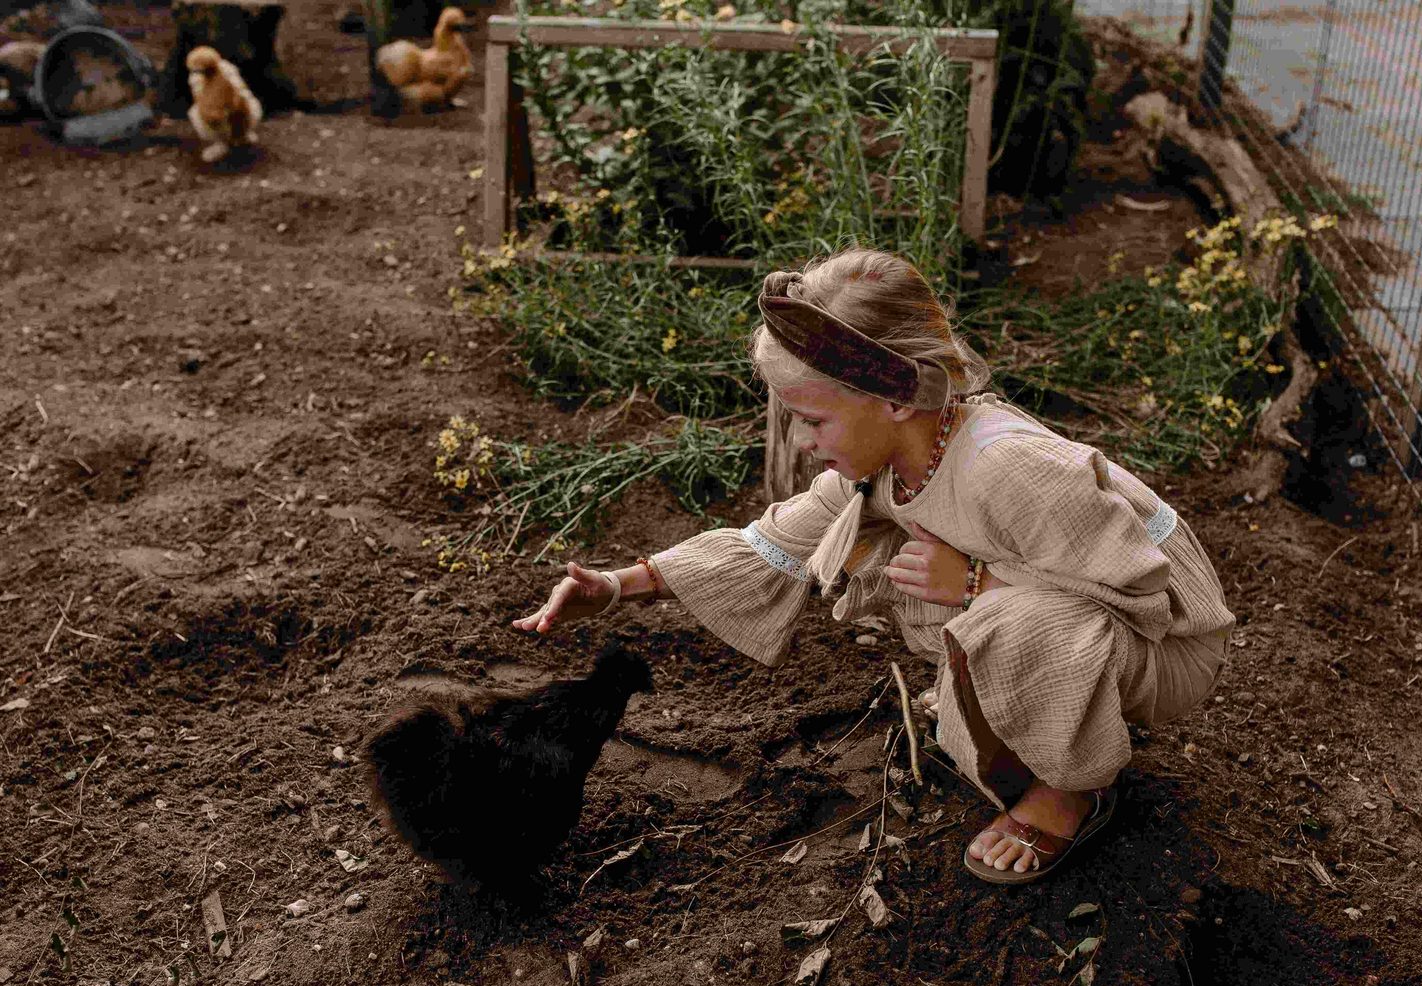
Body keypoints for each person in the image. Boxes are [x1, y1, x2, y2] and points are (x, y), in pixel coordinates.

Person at [514, 248, 1235, 885]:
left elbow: (1142, 595)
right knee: (884, 553)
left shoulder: (1004, 465)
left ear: (894, 396)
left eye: (813, 418)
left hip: (1170, 638)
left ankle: (1070, 792)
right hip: (1076, 604)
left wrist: (979, 584)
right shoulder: (898, 462)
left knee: (1002, 619)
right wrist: (617, 587)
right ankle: (1019, 709)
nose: (799, 441)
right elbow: (776, 540)